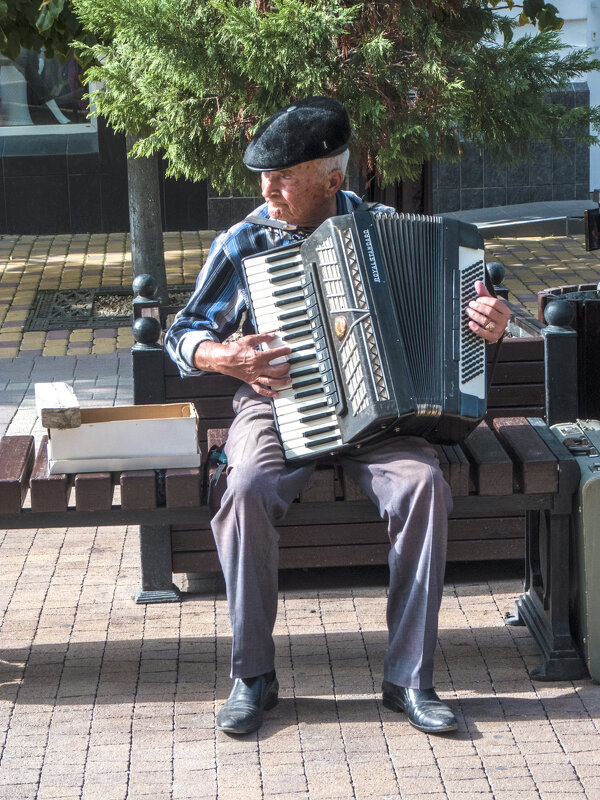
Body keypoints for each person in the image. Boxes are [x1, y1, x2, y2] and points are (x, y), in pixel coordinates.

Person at [165, 97, 510, 737]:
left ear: (333, 181)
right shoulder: (246, 241)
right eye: (263, 176)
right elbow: (181, 332)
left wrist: (492, 321)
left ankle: (408, 678)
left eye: (284, 176)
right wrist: (223, 355)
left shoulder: (382, 226)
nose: (268, 189)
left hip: (376, 422)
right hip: (275, 404)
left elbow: (473, 303)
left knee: (423, 486)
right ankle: (254, 676)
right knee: (244, 489)